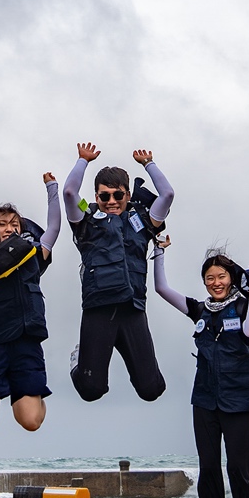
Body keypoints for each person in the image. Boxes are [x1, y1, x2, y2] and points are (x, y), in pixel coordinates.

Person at [152, 237, 249, 498]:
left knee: (239, 471)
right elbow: (162, 289)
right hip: (204, 400)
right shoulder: (199, 310)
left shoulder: (245, 305)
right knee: (208, 470)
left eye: (221, 277)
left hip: (239, 402)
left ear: (231, 278)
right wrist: (158, 252)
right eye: (210, 279)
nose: (216, 283)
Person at [62, 143, 174, 402]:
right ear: (96, 196)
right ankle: (79, 358)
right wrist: (82, 161)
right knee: (91, 391)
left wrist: (149, 164)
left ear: (127, 195)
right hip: (99, 308)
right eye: (104, 196)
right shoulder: (86, 220)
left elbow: (167, 194)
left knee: (152, 390)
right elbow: (69, 192)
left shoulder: (142, 220)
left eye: (118, 195)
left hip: (132, 308)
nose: (111, 201)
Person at [0, 153, 61, 432]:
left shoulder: (33, 253)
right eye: (2, 224)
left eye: (14, 224)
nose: (8, 228)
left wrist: (52, 188)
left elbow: (53, 227)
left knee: (31, 421)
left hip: (26, 337)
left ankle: (31, 389)